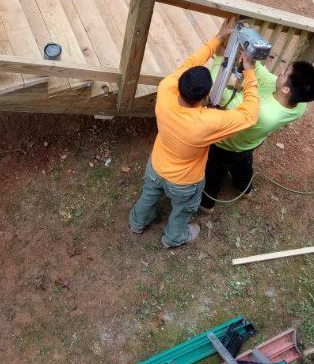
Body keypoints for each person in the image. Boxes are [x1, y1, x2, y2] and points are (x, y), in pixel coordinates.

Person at [129, 21, 259, 249]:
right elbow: (249, 115)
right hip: (184, 182)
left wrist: (217, 37)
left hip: (156, 166)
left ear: (181, 84)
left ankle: (137, 222)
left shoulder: (166, 88)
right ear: (205, 96)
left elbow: (191, 62)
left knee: (148, 196)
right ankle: (174, 237)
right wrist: (249, 73)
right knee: (182, 210)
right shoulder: (208, 122)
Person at [199, 54, 314, 213]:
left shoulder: (263, 111)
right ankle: (245, 188)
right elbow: (265, 76)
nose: (280, 72)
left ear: (286, 89)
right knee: (243, 166)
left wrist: (220, 59)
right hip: (249, 143)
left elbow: (217, 92)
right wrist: (250, 61)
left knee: (214, 173)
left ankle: (207, 204)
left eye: (285, 72)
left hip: (226, 146)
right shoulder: (298, 105)